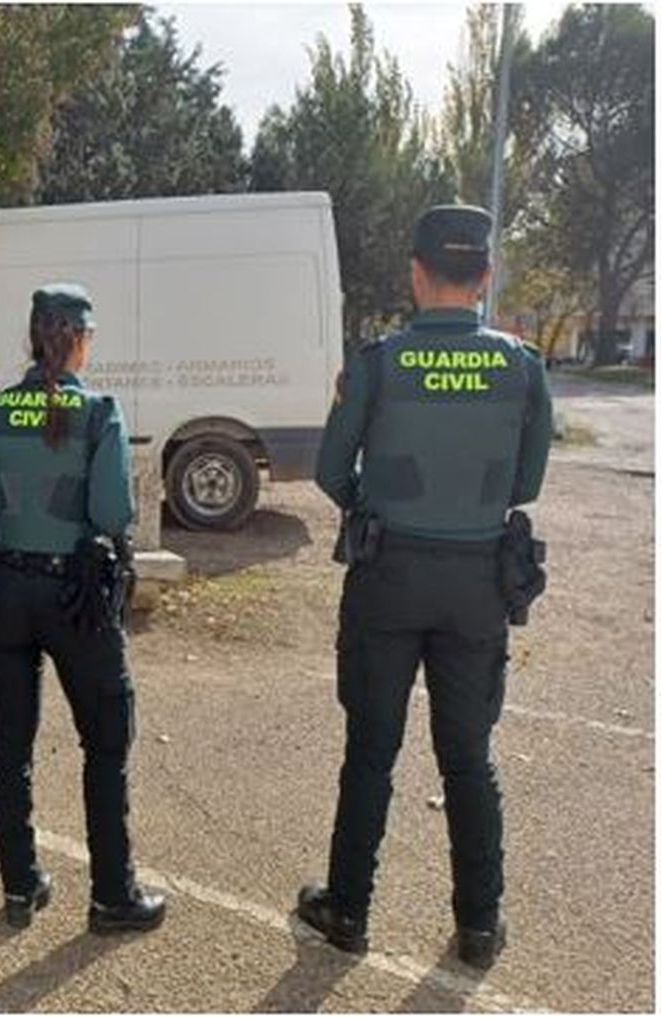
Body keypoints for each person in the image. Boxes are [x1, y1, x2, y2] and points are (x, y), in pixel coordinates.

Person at [298, 205, 553, 970]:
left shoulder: (378, 362)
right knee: (468, 756)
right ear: (485, 276)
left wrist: (381, 508)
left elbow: (329, 470)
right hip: (478, 581)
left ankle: (348, 911)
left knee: (371, 749)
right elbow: (527, 480)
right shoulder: (522, 365)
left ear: (415, 272)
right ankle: (479, 924)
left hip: (389, 576)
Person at [0, 283, 167, 935]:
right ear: (75, 339)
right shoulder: (100, 414)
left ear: (34, 336)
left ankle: (21, 887)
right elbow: (111, 514)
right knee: (105, 741)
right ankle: (111, 896)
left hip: (7, 596)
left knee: (10, 744)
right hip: (76, 600)